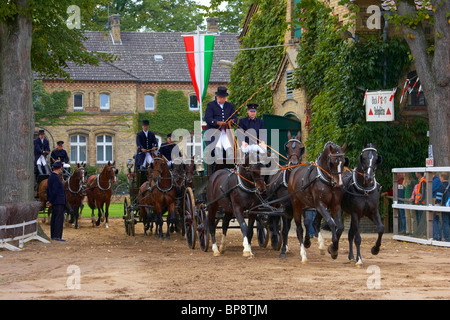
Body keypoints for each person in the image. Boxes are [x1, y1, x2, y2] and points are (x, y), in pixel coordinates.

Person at [204, 86, 238, 162]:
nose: (222, 99)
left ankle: (232, 166)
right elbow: (208, 118)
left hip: (226, 133)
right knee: (218, 149)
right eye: (220, 97)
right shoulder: (210, 105)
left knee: (230, 150)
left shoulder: (230, 106)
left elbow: (235, 118)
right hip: (214, 132)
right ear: (217, 97)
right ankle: (219, 166)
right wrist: (218, 122)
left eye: (224, 98)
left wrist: (232, 121)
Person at [46, 161, 66, 241]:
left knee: (55, 217)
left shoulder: (52, 177)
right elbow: (54, 191)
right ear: (59, 168)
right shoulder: (55, 177)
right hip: (58, 201)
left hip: (56, 201)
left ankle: (54, 235)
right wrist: (50, 200)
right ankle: (57, 236)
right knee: (58, 218)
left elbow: (48, 190)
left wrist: (49, 200)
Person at [435, 172, 450, 241]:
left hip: (445, 207)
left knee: (445, 222)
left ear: (442, 178)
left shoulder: (442, 186)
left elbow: (438, 198)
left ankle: (447, 238)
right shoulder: (449, 185)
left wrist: (436, 205)